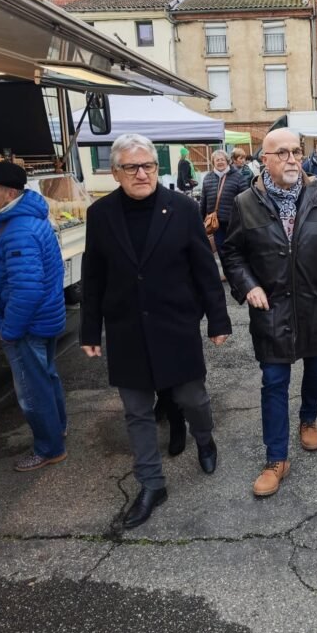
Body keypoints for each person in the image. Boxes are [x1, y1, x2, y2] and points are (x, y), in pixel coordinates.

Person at [80, 133, 231, 529]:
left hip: (175, 322)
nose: (142, 173)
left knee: (192, 397)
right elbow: (93, 275)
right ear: (115, 173)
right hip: (126, 328)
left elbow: (204, 269)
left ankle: (204, 438)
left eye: (147, 165)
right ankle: (151, 484)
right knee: (136, 411)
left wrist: (218, 320)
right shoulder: (100, 214)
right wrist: (90, 330)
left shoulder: (182, 208)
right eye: (131, 167)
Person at [221, 128, 317, 497]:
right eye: (282, 153)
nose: (292, 159)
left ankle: (308, 419)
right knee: (274, 381)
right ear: (264, 159)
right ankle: (276, 458)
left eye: (296, 151)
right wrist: (248, 286)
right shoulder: (246, 202)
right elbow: (232, 253)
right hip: (272, 308)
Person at [0, 161, 67, 471]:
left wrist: (9, 330)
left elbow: (27, 291)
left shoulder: (20, 232)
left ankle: (49, 448)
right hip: (42, 320)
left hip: (26, 327)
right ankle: (57, 430)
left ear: (9, 192)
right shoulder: (15, 215)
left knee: (32, 393)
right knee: (46, 379)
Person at [201, 150, 247, 252]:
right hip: (216, 223)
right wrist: (200, 220)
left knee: (234, 250)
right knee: (220, 249)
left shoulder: (238, 177)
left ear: (227, 161)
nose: (220, 162)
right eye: (217, 160)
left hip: (234, 223)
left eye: (222, 159)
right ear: (213, 162)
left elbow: (246, 200)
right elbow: (203, 201)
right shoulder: (207, 178)